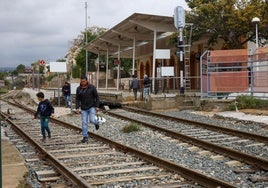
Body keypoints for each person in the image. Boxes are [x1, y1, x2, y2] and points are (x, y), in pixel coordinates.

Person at [75, 75, 100, 143]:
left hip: (91, 106)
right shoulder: (78, 89)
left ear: (86, 80)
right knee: (84, 122)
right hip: (83, 108)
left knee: (92, 120)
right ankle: (85, 136)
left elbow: (97, 97)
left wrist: (97, 106)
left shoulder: (92, 87)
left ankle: (96, 123)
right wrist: (77, 107)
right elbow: (77, 99)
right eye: (81, 81)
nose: (83, 83)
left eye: (84, 81)